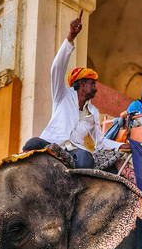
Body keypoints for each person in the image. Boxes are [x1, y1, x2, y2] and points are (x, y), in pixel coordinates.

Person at [23, 12, 128, 168]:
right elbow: (57, 68)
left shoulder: (93, 112)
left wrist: (120, 146)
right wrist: (71, 37)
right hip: (51, 143)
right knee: (32, 143)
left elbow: (100, 142)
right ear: (81, 83)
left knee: (87, 159)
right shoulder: (62, 95)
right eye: (92, 83)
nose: (95, 88)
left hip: (74, 151)